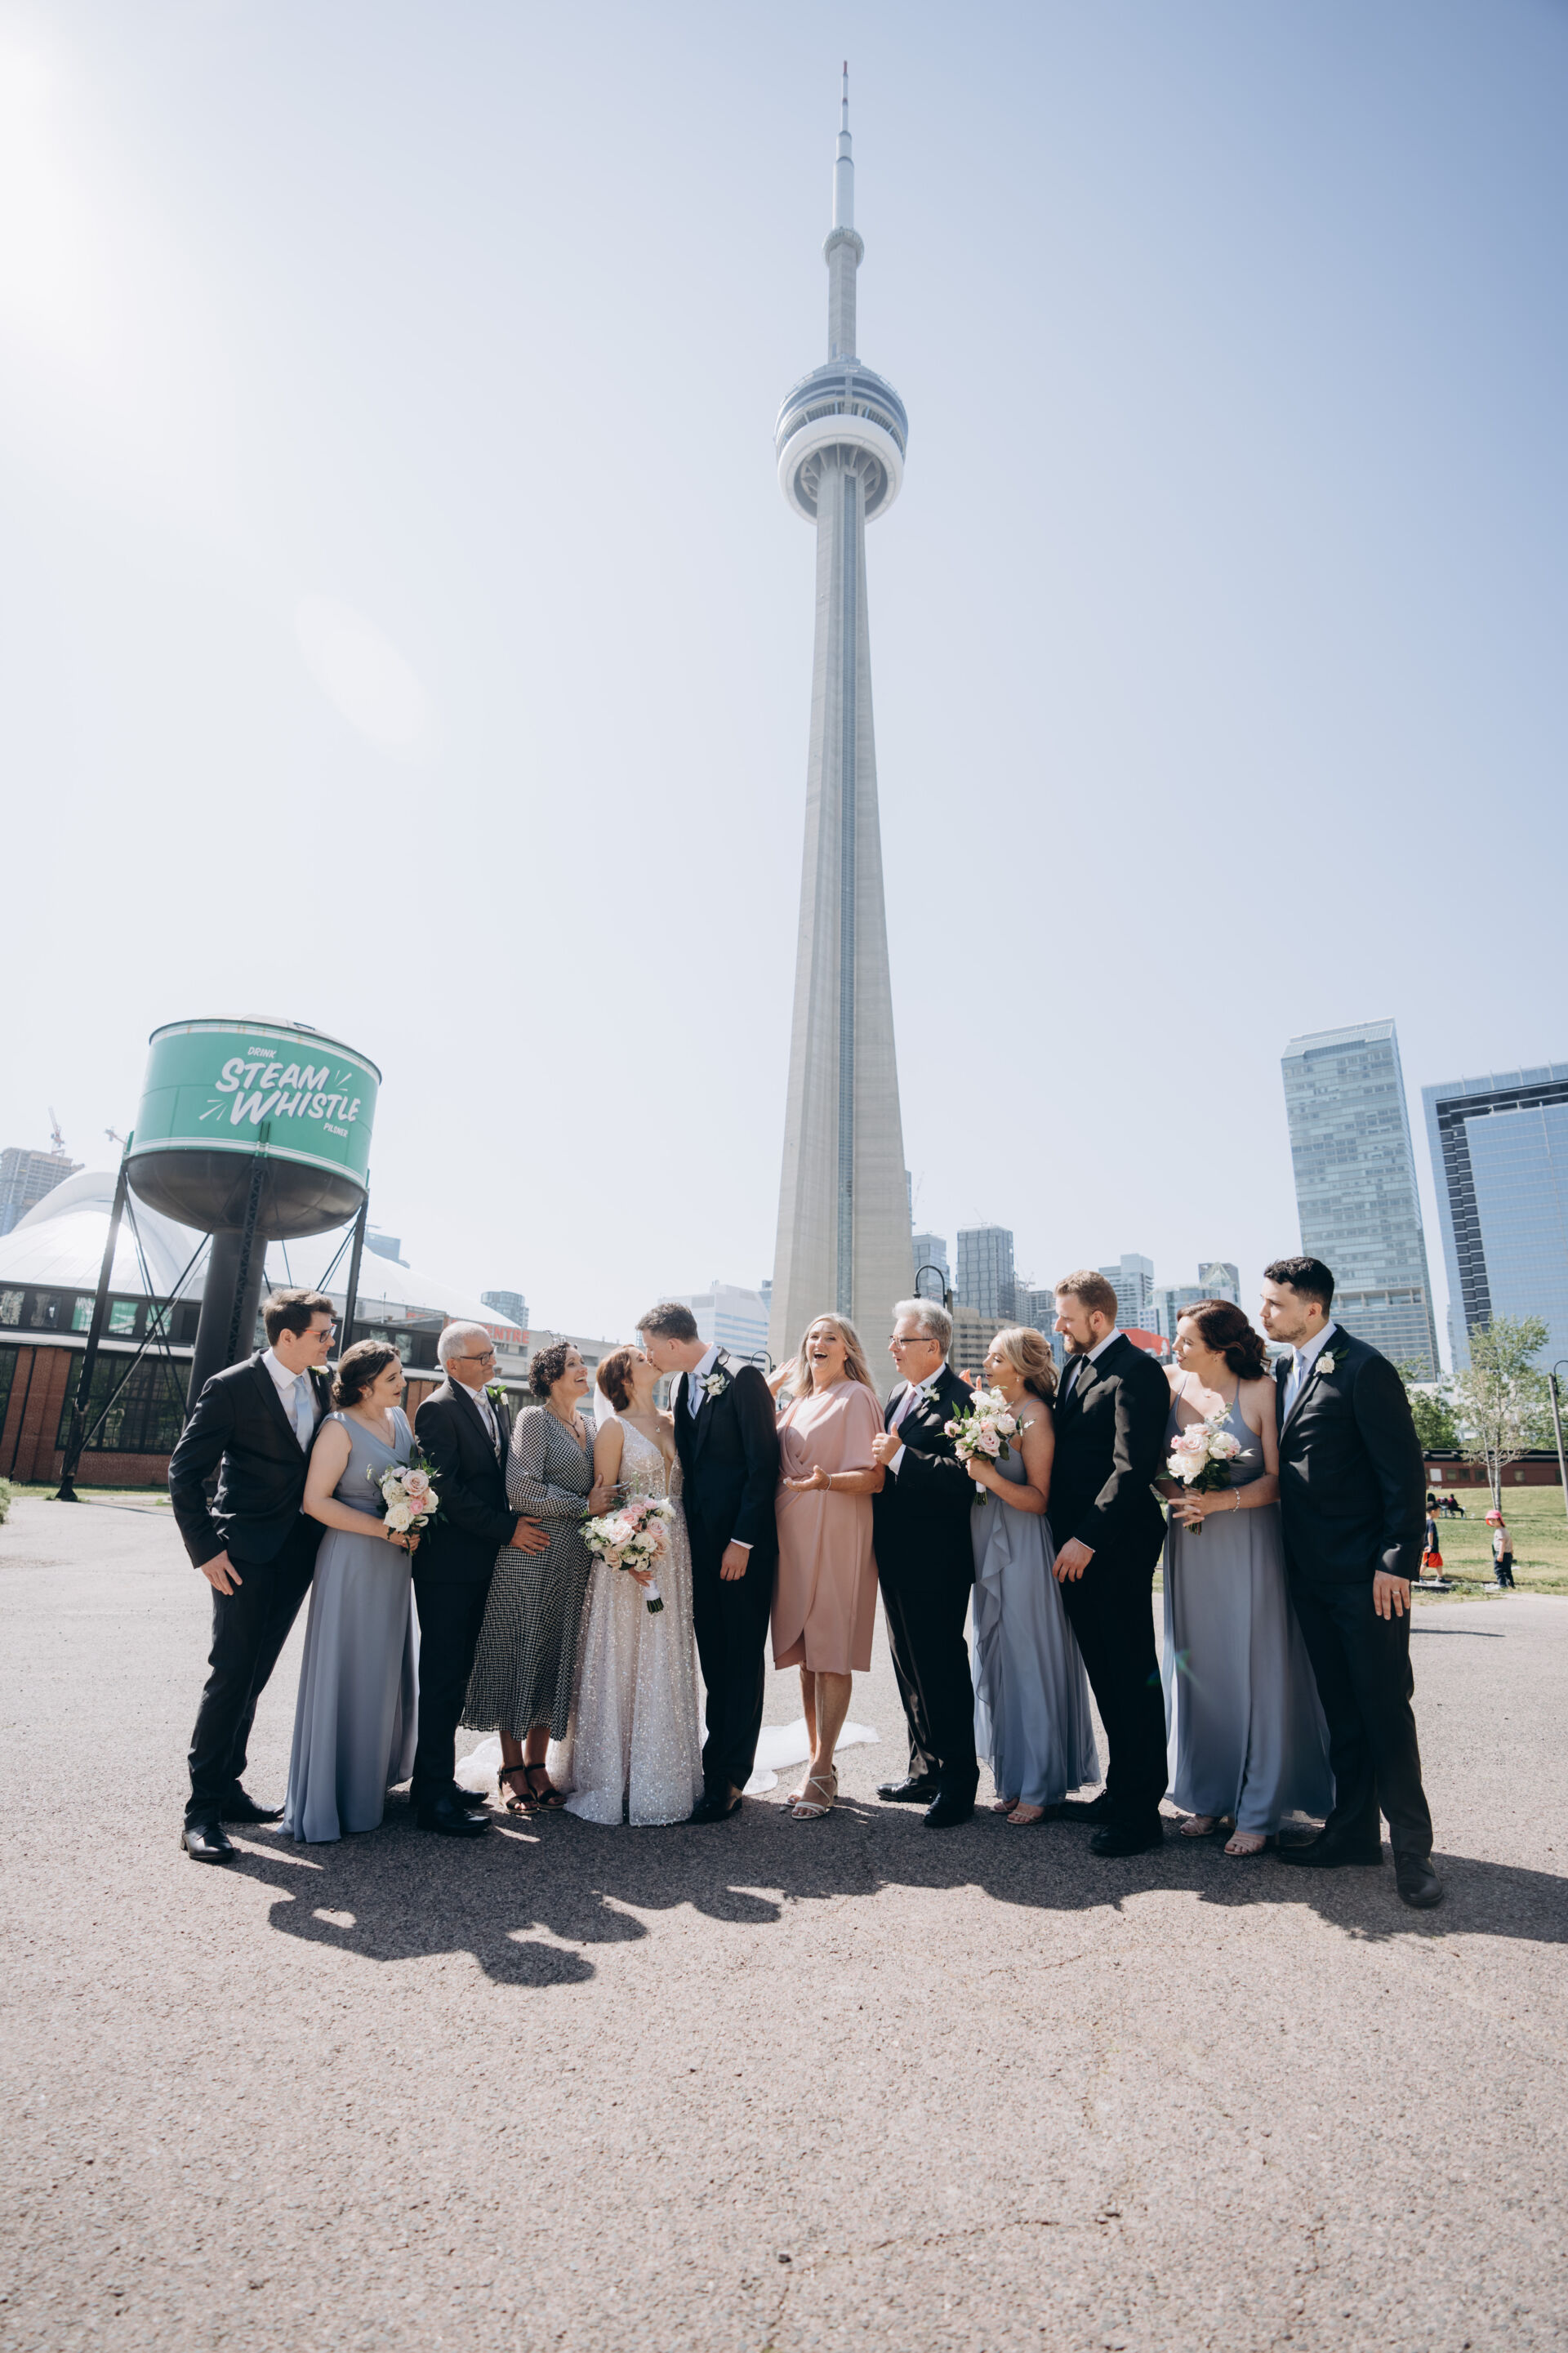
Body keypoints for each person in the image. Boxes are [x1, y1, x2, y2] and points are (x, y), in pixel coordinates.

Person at [1261, 1255, 1441, 1910]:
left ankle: (1414, 1853)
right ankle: (1354, 1832)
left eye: (1275, 1303)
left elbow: (1404, 1473)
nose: (1264, 1313)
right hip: (1308, 1573)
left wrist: (1396, 1560)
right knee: (1340, 1708)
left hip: (1367, 1577)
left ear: (1312, 1308)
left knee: (1384, 1708)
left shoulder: (1365, 1368)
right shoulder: (1284, 1371)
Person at [1156, 1301, 1330, 1856]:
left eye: (1187, 1341)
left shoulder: (1260, 1392)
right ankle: (1208, 1796)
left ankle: (1257, 1810)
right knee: (1201, 1669)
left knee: (1254, 1670)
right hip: (1190, 1543)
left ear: (1220, 1348)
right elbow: (1155, 1466)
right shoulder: (1170, 1384)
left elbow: (1279, 1479)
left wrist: (1221, 1500)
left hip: (1251, 1543)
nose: (1176, 1349)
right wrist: (1180, 1493)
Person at [169, 1288, 336, 1863]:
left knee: (257, 1674)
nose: (330, 1341)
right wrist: (205, 1550)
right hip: (241, 1555)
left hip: (297, 1553)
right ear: (287, 1336)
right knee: (232, 1673)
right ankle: (201, 1812)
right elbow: (184, 1472)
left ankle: (230, 1787)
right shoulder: (231, 1386)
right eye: (322, 1333)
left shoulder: (321, 1384)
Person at [636, 1303, 780, 1823]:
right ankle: (714, 1762)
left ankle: (731, 1777)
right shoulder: (681, 1385)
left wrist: (742, 1541)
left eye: (651, 1347)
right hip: (696, 1546)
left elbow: (764, 1466)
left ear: (673, 1344)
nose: (648, 1356)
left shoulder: (743, 1379)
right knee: (714, 1656)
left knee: (740, 1657)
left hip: (741, 1549)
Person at [548, 1347, 703, 1826]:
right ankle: (611, 1775)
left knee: (667, 1654)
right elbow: (603, 1501)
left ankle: (664, 1772)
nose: (649, 1356)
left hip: (676, 1554)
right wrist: (625, 1552)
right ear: (623, 1376)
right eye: (639, 1356)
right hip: (628, 1561)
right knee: (625, 1654)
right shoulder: (614, 1428)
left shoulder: (675, 1420)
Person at [1048, 1270, 1171, 1858]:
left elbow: (1131, 1467)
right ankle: (1121, 1790)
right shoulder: (1075, 1367)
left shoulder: (1137, 1370)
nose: (1058, 1325)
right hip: (1075, 1548)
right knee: (1105, 1675)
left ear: (1097, 1318)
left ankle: (1142, 1815)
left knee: (1130, 1677)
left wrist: (1087, 1539)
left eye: (1066, 1316)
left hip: (1113, 1547)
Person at [409, 1322, 549, 1838]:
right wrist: (508, 1529)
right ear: (453, 1365)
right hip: (448, 1569)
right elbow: (446, 1490)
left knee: (460, 1677)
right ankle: (431, 1801)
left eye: (492, 1354)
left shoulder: (494, 1402)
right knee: (442, 1680)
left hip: (484, 1563)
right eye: (483, 1356)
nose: (493, 1362)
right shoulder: (436, 1409)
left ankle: (438, 1782)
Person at [282, 1341, 420, 1843]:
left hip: (393, 1561)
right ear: (364, 1386)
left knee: (382, 1667)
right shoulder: (337, 1429)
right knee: (350, 1665)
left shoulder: (399, 1420)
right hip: (353, 1560)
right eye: (392, 1378)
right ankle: (334, 1794)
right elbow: (315, 1502)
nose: (402, 1383)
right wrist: (385, 1529)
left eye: (400, 1374)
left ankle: (370, 1783)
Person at [464, 1340, 609, 1815]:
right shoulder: (534, 1419)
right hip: (532, 1554)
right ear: (550, 1377)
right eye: (572, 1365)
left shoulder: (591, 1426)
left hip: (574, 1561)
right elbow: (522, 1489)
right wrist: (582, 1506)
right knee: (518, 1655)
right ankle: (510, 1769)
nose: (583, 1370)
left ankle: (538, 1765)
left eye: (582, 1363)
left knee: (554, 1658)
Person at [964, 1326, 1098, 1825]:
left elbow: (1040, 1499)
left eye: (996, 1358)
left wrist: (988, 1476)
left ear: (1020, 1368)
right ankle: (1016, 1779)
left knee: (1028, 1662)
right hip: (990, 1546)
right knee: (1001, 1660)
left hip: (1022, 1551)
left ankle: (1041, 1785)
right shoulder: (995, 1411)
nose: (987, 1365)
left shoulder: (1037, 1416)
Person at [869, 1299, 979, 1829]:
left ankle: (959, 1783)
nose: (892, 1346)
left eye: (901, 1339)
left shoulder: (964, 1400)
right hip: (894, 1551)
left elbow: (965, 1477)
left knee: (940, 1668)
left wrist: (899, 1456)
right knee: (908, 1666)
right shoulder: (898, 1394)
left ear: (932, 1346)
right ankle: (925, 1770)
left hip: (938, 1558)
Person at [772, 1315, 885, 1821]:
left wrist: (826, 1483)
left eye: (830, 1337)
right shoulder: (797, 1400)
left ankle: (821, 1769)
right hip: (792, 1533)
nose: (818, 1342)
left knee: (831, 1648)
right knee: (806, 1652)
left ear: (847, 1350)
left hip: (837, 1526)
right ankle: (818, 1761)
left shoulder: (856, 1397)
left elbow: (875, 1478)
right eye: (813, 1336)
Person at [1490, 1513, 1516, 1589]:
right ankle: (1511, 1585)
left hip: (1501, 1553)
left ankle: (1503, 1586)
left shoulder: (1499, 1531)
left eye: (1494, 1520)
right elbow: (1510, 1541)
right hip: (1508, 1553)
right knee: (1508, 1571)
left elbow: (1502, 1543)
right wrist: (1511, 1551)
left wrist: (1500, 1555)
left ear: (1499, 1520)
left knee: (1499, 1571)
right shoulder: (1504, 1530)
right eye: (1490, 1520)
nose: (1492, 1521)